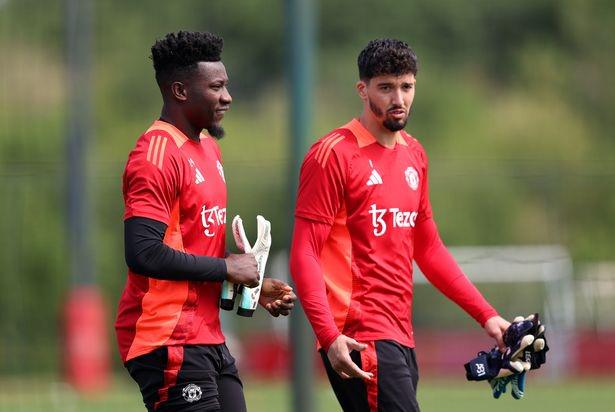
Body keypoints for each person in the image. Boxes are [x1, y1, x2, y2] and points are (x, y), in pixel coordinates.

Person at [289, 38, 510, 412]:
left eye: (406, 87)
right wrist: (328, 336)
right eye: (386, 87)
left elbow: (428, 248)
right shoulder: (333, 154)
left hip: (401, 336)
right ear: (363, 90)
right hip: (359, 338)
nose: (399, 99)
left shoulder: (414, 153)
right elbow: (304, 252)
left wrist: (486, 315)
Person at [115, 31, 295, 412]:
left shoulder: (209, 148)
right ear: (180, 91)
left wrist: (249, 285)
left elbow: (193, 250)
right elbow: (143, 253)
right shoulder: (155, 155)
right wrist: (228, 268)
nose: (227, 97)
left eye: (226, 85)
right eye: (216, 87)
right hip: (166, 337)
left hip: (207, 335)